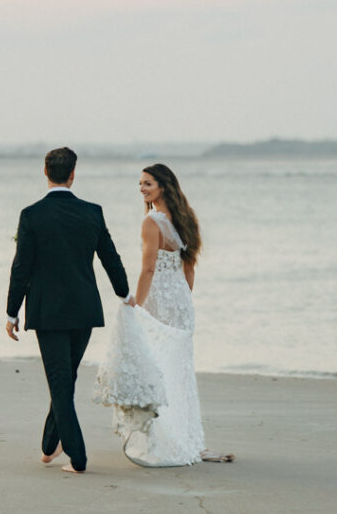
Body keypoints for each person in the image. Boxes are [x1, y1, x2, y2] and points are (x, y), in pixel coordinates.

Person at [94, 164, 234, 466]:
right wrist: (184, 299)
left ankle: (163, 437)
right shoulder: (186, 218)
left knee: (156, 366)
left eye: (148, 184)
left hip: (157, 298)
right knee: (178, 369)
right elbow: (189, 267)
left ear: (163, 186)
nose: (142, 189)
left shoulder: (151, 222)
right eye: (140, 184)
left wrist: (137, 306)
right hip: (181, 301)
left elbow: (148, 268)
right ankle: (185, 435)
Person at [6, 147, 132, 474]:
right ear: (73, 174)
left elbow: (21, 267)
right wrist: (124, 293)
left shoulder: (31, 215)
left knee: (62, 381)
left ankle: (78, 457)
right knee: (65, 378)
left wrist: (11, 312)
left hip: (48, 312)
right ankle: (50, 445)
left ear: (45, 172)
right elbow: (110, 257)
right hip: (83, 309)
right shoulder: (93, 212)